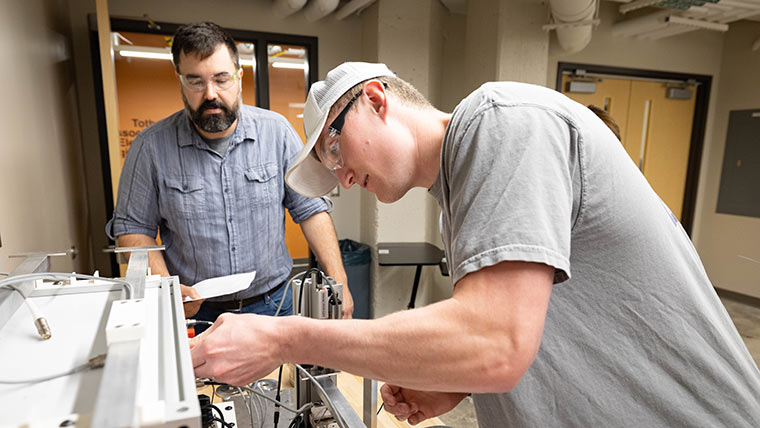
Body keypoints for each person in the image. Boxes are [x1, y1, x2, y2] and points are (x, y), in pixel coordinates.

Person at [189, 62, 760, 427]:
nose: (340, 177)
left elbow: (497, 343)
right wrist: (454, 387)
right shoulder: (457, 200)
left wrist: (281, 336)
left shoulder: (503, 122)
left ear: (376, 100)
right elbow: (536, 326)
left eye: (335, 153)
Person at [106, 22, 353, 321]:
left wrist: (339, 285)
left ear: (239, 76)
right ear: (180, 80)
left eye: (221, 79)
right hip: (198, 314)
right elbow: (133, 230)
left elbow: (311, 210)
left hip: (273, 306)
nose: (210, 94)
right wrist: (167, 290)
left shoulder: (276, 132)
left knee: (282, 372)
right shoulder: (150, 148)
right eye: (195, 81)